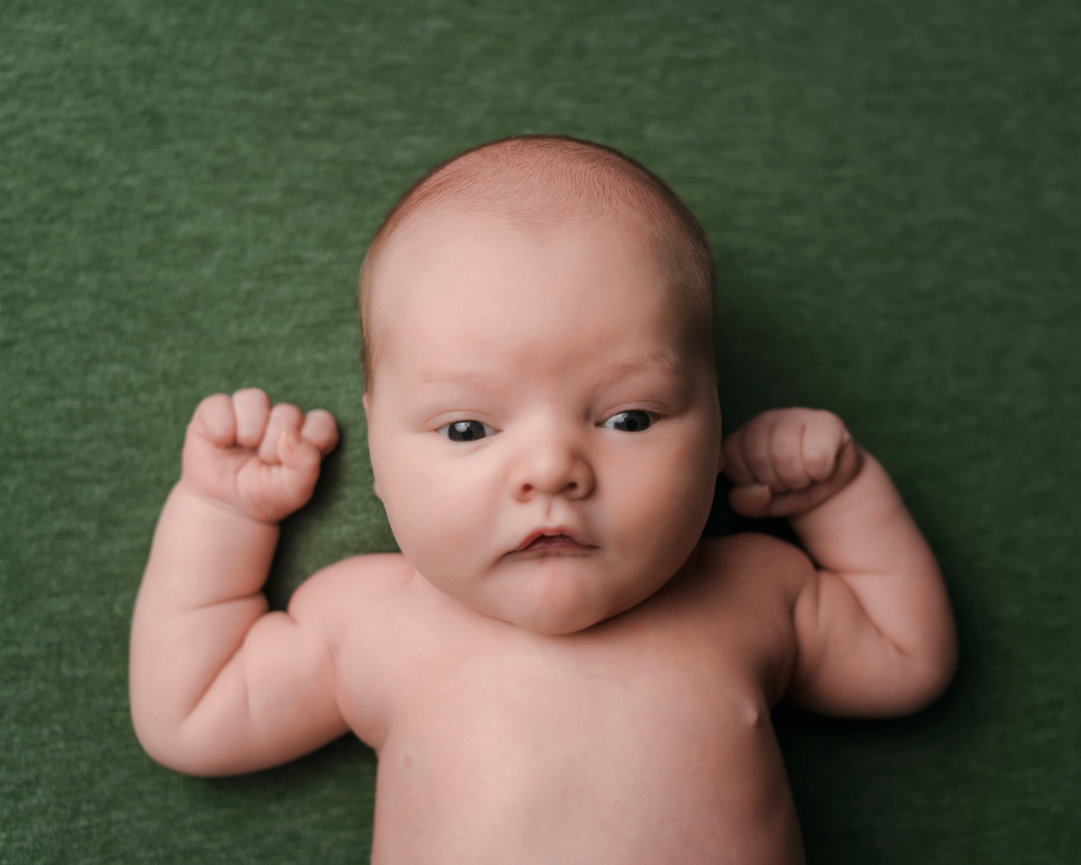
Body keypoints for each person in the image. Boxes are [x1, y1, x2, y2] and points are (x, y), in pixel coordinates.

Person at [130, 135, 956, 864]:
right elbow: (192, 715)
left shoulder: (749, 591)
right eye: (465, 428)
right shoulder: (371, 619)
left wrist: (840, 496)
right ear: (377, 445)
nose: (552, 470)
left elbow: (907, 661)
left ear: (712, 424)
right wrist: (223, 513)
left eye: (628, 417)